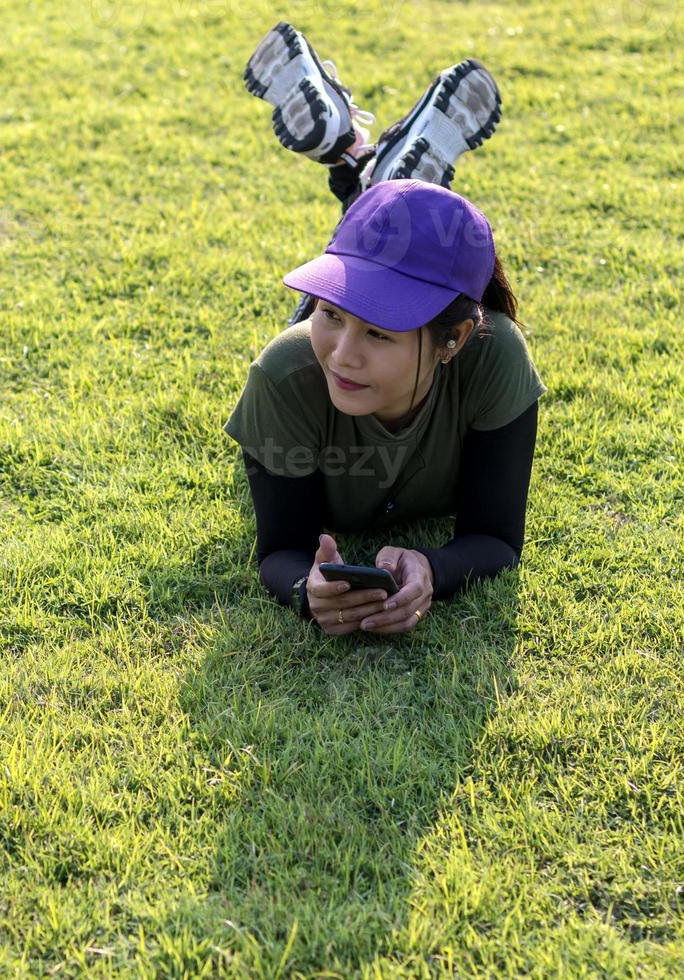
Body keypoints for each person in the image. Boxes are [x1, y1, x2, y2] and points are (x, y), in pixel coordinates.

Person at [224, 23, 547, 636]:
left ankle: (365, 175)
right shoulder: (285, 374)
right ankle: (370, 183)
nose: (342, 356)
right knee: (310, 344)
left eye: (380, 333)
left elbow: (496, 538)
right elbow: (280, 551)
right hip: (296, 366)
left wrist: (433, 567)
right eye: (332, 312)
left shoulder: (494, 354)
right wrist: (306, 591)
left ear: (452, 340)